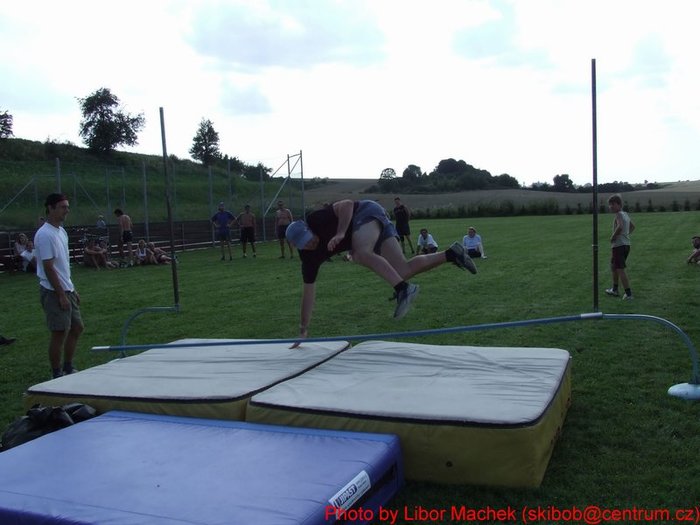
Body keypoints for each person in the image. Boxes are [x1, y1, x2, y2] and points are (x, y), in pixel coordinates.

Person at [285, 199, 477, 347]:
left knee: (360, 253)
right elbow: (308, 293)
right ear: (297, 247)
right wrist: (303, 329)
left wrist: (341, 232)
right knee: (401, 270)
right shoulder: (309, 259)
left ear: (308, 229)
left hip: (366, 212)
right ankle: (451, 254)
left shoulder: (316, 219)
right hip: (367, 228)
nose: (311, 243)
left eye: (309, 237)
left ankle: (403, 289)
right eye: (304, 243)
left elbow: (347, 205)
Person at [34, 193, 84, 378]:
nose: (67, 210)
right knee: (59, 332)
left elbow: (63, 265)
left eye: (67, 207)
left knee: (77, 327)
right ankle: (56, 373)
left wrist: (72, 288)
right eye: (63, 207)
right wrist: (61, 294)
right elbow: (48, 267)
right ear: (51, 208)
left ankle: (68, 366)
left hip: (66, 288)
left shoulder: (61, 231)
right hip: (53, 291)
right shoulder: (45, 234)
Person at [605, 194, 635, 300]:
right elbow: (632, 227)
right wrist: (625, 235)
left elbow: (620, 226)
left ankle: (628, 294)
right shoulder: (625, 214)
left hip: (619, 246)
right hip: (626, 245)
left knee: (620, 269)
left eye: (613, 204)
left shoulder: (618, 214)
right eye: (610, 205)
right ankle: (614, 289)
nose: (611, 207)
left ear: (619, 204)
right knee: (614, 266)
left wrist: (613, 236)